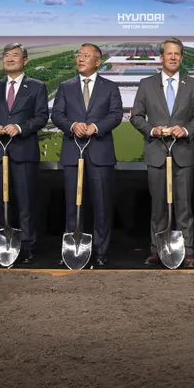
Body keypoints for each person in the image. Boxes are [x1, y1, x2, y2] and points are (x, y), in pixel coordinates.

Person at [130, 37, 194, 268]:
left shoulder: (193, 85)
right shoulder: (146, 84)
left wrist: (184, 130)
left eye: (177, 54)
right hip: (156, 153)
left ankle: (188, 251)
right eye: (169, 53)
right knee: (158, 207)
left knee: (184, 206)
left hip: (182, 154)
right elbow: (135, 116)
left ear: (181, 58)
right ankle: (157, 249)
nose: (173, 57)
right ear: (161, 57)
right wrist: (152, 130)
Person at [50, 43, 124, 266]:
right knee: (73, 204)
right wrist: (72, 125)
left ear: (98, 61)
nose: (80, 59)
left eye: (86, 56)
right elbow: (57, 115)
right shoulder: (65, 86)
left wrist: (95, 127)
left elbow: (116, 115)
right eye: (79, 55)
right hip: (73, 153)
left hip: (100, 154)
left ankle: (100, 251)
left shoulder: (110, 87)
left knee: (102, 204)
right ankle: (72, 249)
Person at [0, 43, 49, 263]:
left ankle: (27, 246)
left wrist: (20, 128)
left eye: (15, 55)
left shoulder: (37, 86)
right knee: (0, 202)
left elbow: (41, 117)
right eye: (6, 55)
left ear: (25, 60)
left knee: (25, 201)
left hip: (24, 152)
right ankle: (1, 246)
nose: (10, 59)